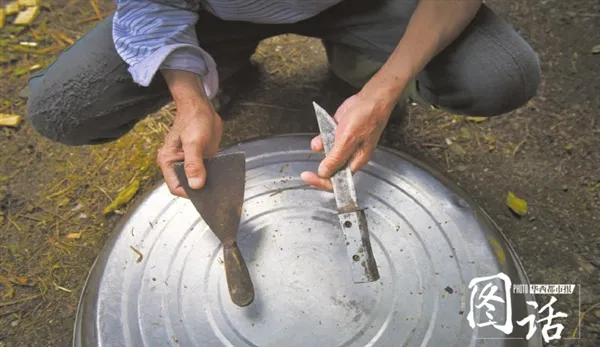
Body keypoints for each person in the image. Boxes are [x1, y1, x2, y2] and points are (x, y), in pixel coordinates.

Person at [26, 0, 540, 197]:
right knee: (64, 109)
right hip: (215, 10)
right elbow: (150, 3)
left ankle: (356, 64)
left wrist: (382, 90)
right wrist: (189, 96)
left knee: (501, 74)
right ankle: (219, 64)